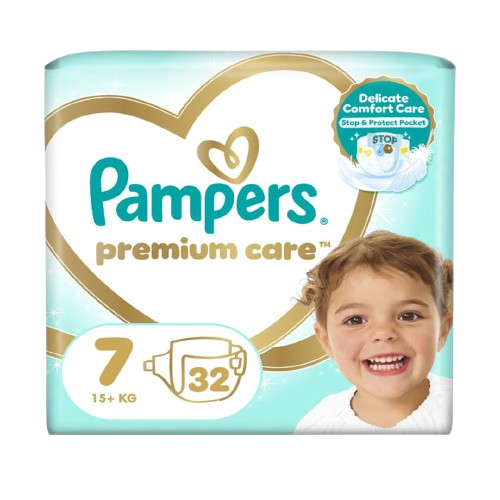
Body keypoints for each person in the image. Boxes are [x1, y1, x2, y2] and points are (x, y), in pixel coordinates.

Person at [294, 231, 454, 435]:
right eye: (355, 320)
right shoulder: (317, 424)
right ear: (326, 341)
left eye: (408, 316)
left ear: (441, 330)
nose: (384, 333)